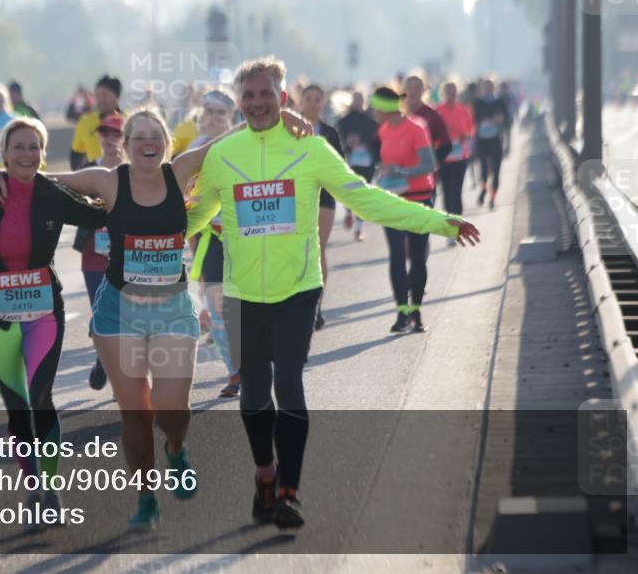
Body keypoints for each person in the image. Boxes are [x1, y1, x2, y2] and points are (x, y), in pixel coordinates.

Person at [0, 104, 312, 530]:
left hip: (172, 310)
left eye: (154, 135)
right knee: (135, 413)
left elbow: (232, 137)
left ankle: (175, 449)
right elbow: (39, 178)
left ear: (167, 143)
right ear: (126, 146)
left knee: (173, 409)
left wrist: (282, 113)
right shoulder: (108, 180)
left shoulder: (180, 172)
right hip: (119, 312)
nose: (147, 143)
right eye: (137, 137)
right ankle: (145, 496)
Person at [187, 58, 480, 530]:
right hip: (243, 295)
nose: (258, 103)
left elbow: (366, 197)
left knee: (289, 385)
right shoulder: (223, 156)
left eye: (267, 94)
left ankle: (289, 491)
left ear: (283, 98)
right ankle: (266, 474)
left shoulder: (312, 149)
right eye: (250, 96)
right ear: (240, 101)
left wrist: (439, 220)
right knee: (254, 399)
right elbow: (193, 218)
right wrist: (134, 230)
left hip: (299, 290)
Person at [0, 117, 107, 531]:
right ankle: (32, 483)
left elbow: (101, 214)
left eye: (35, 147)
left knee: (41, 395)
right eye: (19, 147)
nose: (27, 153)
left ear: (43, 153)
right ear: (4, 154)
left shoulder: (50, 193)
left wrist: (156, 198)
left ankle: (49, 487)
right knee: (16, 406)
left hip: (44, 311)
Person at [373, 86, 450, 333]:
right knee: (396, 255)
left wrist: (402, 172)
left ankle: (416, 310)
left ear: (385, 108)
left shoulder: (417, 127)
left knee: (416, 257)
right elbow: (386, 163)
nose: (373, 112)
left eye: (375, 107)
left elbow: (430, 164)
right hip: (393, 201)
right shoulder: (383, 130)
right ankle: (402, 313)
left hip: (418, 199)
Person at [185, 90, 239, 398]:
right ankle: (235, 373)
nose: (215, 117)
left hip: (247, 239)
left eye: (221, 112)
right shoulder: (193, 151)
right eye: (209, 111)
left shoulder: (244, 146)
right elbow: (190, 206)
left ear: (232, 117)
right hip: (211, 239)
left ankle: (256, 365)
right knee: (218, 308)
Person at [72, 112, 126, 390]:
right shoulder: (89, 169)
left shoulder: (133, 170)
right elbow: (70, 202)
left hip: (127, 255)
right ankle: (103, 359)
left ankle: (116, 372)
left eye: (116, 134)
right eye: (105, 133)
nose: (109, 139)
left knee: (123, 315)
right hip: (94, 254)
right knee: (100, 312)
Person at [299, 84, 346, 331]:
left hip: (324, 195)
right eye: (309, 99)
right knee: (299, 250)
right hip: (297, 197)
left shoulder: (329, 132)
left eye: (318, 99)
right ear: (300, 101)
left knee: (318, 248)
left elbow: (340, 165)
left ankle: (317, 306)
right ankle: (299, 304)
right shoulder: (290, 130)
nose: (314, 103)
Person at [338, 91, 381, 241]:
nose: (358, 102)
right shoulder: (343, 121)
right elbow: (337, 141)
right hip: (349, 162)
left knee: (363, 193)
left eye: (360, 100)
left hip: (367, 163)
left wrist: (365, 143)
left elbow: (377, 141)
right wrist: (348, 144)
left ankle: (359, 227)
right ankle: (349, 212)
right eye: (356, 99)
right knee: (349, 190)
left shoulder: (371, 122)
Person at [436, 81, 475, 227]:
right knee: (446, 192)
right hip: (444, 158)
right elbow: (432, 133)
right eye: (448, 92)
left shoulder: (464, 110)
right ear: (444, 93)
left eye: (453, 92)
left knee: (456, 191)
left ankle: (457, 223)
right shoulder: (437, 111)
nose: (451, 95)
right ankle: (449, 223)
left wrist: (466, 135)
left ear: (457, 93)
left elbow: (471, 130)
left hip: (460, 156)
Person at [70, 74, 122, 169]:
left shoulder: (129, 121)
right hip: (94, 178)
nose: (100, 99)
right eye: (97, 95)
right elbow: (76, 153)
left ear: (117, 97)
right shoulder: (85, 121)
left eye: (105, 95)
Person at [472, 79, 509, 210]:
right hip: (482, 141)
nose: (488, 89)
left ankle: (492, 199)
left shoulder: (499, 102)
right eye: (485, 87)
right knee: (483, 169)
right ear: (482, 88)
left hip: (496, 140)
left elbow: (507, 121)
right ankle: (483, 189)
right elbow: (474, 120)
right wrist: (484, 120)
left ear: (494, 87)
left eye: (490, 86)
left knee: (497, 171)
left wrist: (500, 120)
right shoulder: (478, 103)